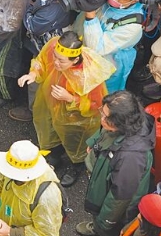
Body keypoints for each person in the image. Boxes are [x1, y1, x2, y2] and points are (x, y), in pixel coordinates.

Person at [17, 32, 115, 187]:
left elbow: (97, 106)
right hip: (50, 104)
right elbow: (42, 61)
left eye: (61, 61)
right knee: (50, 130)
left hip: (76, 119)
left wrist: (71, 99)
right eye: (55, 57)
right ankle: (54, 156)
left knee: (76, 143)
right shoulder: (54, 45)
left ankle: (76, 166)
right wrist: (33, 74)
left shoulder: (89, 75)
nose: (55, 62)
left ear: (75, 59)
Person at [10, 0, 85, 124]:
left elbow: (33, 26)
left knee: (42, 72)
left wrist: (27, 6)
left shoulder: (54, 5)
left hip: (49, 42)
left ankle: (34, 111)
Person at [78, 90, 154, 236]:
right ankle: (98, 226)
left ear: (120, 123)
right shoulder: (127, 123)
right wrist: (94, 143)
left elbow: (119, 199)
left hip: (116, 208)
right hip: (104, 183)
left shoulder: (131, 158)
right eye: (103, 112)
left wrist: (106, 221)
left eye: (106, 117)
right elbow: (105, 133)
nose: (102, 118)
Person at [73, 0, 147, 93]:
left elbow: (98, 48)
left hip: (108, 64)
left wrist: (91, 16)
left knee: (99, 96)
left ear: (133, 1)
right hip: (82, 52)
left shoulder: (132, 26)